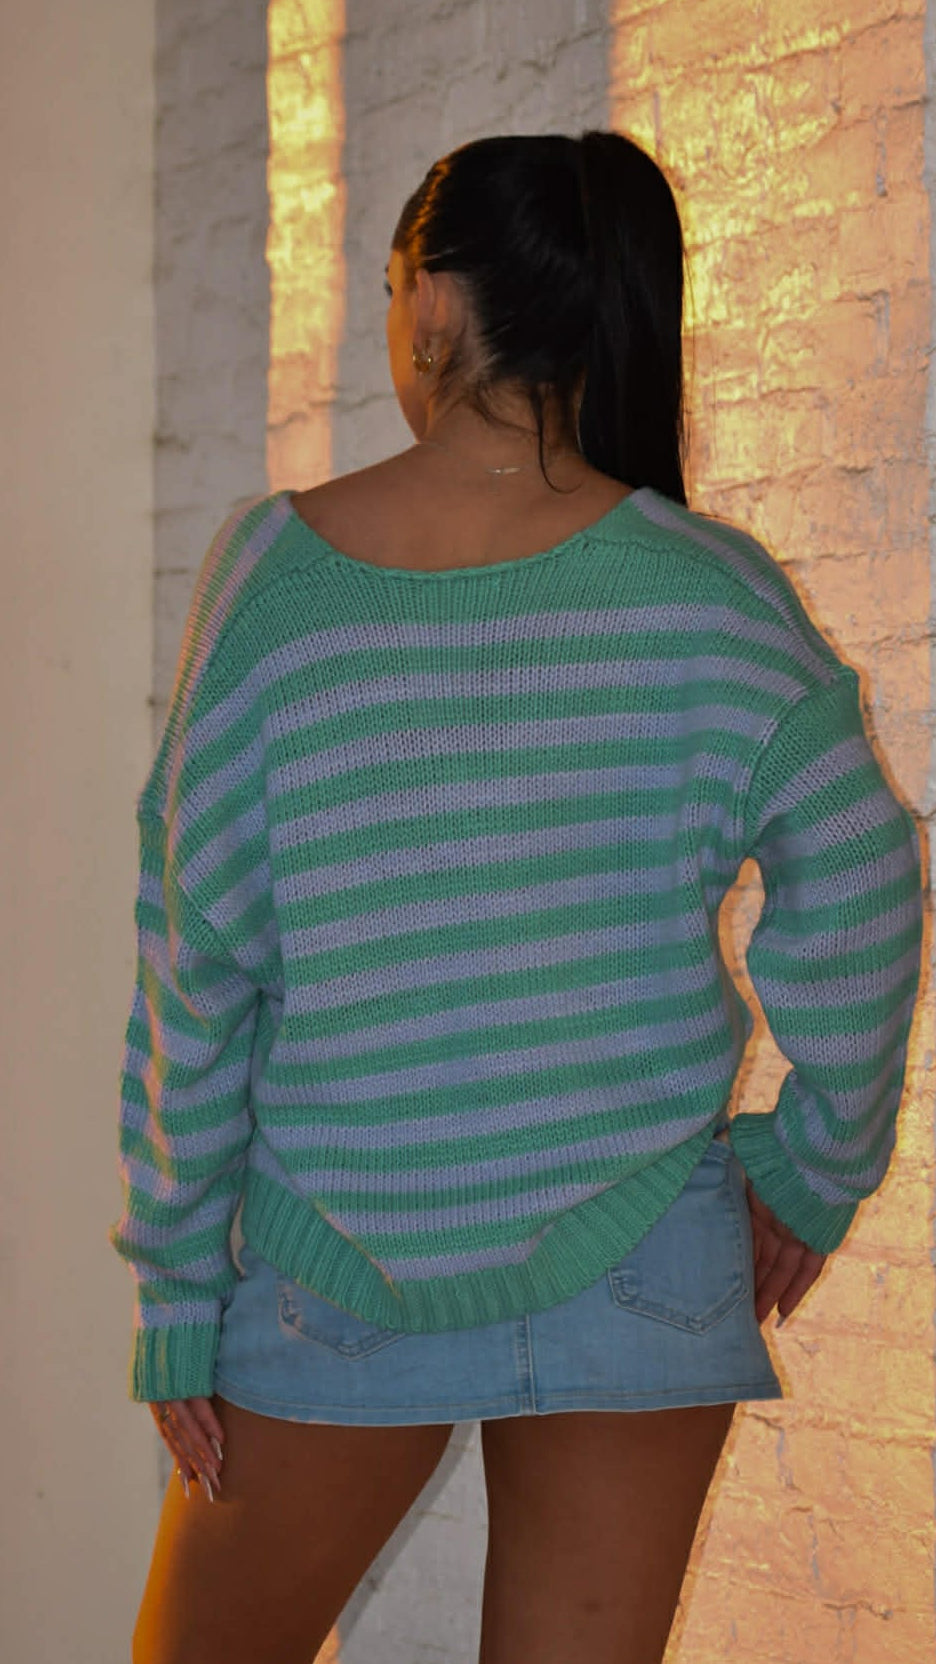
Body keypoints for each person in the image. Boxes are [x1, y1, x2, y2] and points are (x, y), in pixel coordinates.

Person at [111, 130, 923, 1664]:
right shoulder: (713, 591)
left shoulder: (274, 585)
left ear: (432, 305)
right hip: (645, 1261)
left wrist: (172, 1281)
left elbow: (194, 962)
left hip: (338, 1262)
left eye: (392, 291)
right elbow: (869, 881)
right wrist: (814, 1165)